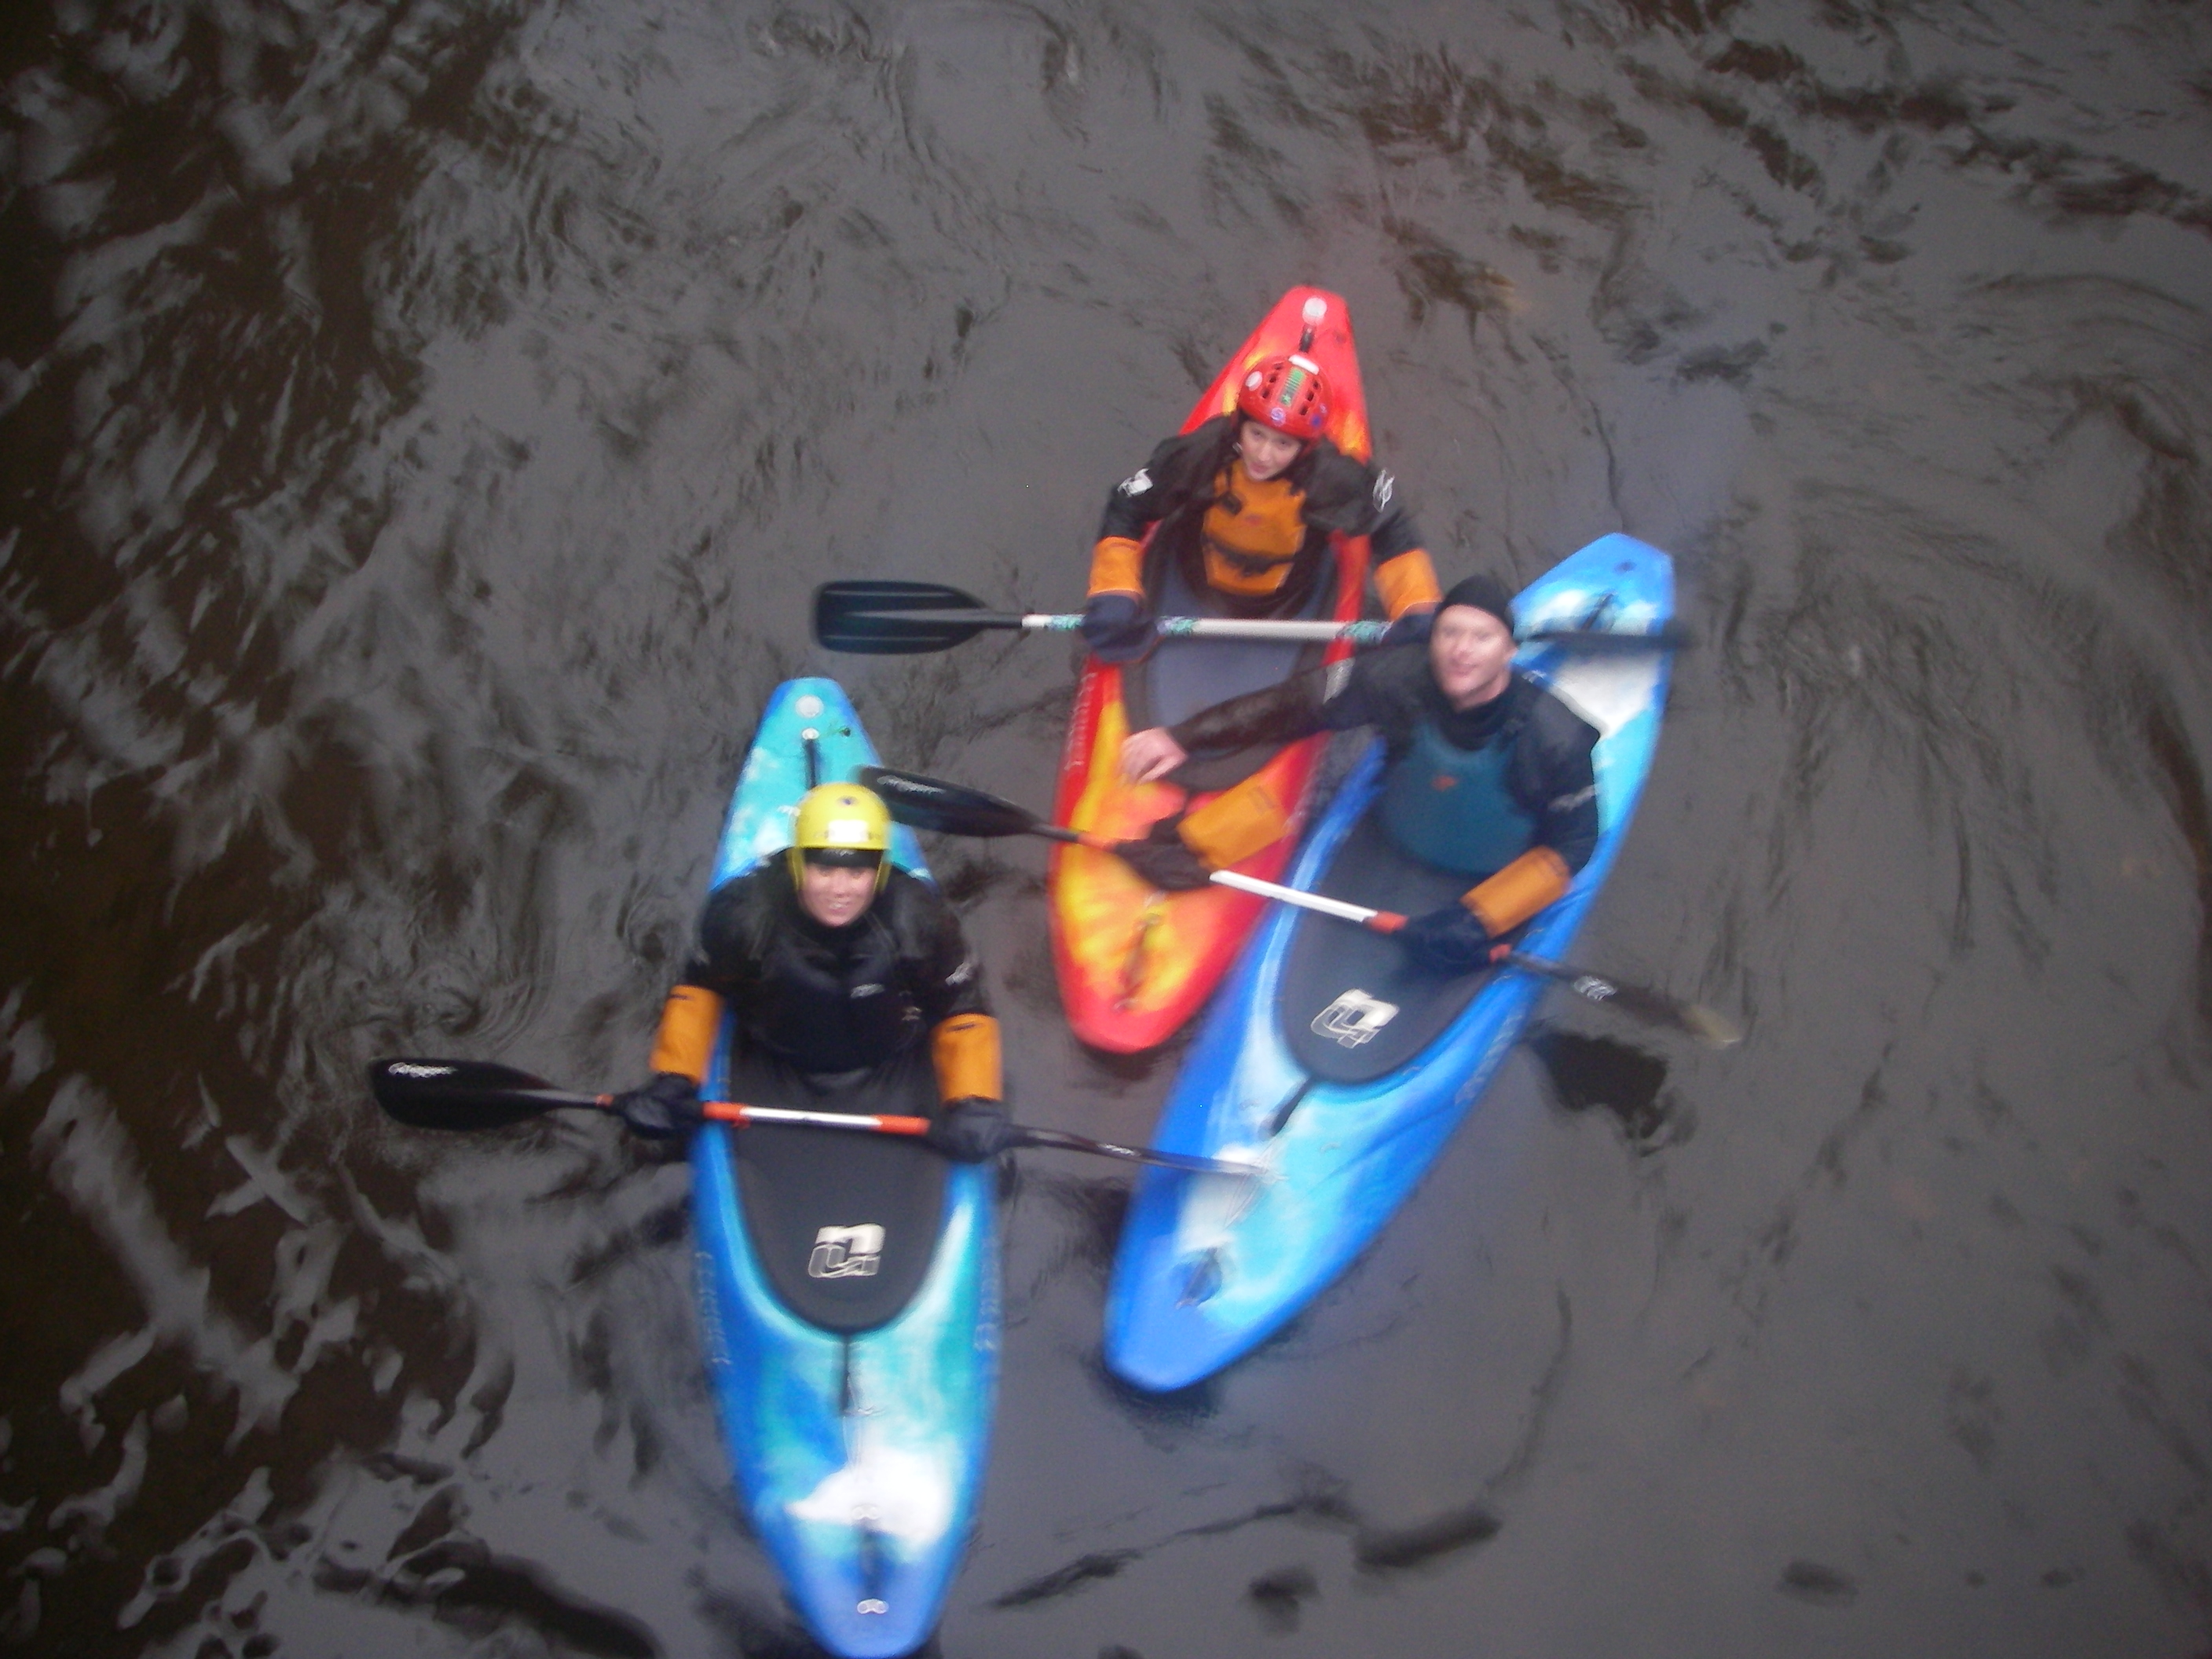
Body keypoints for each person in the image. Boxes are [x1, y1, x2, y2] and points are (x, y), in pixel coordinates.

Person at [1115, 573, 1599, 974]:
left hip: (1484, 878)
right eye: (1450, 633)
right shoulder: (1393, 676)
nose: (1462, 650)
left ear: (1509, 651)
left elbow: (1574, 845)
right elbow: (1292, 705)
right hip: (1390, 835)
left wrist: (1480, 920)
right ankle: (1202, 843)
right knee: (1213, 835)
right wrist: (1182, 738)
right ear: (1433, 639)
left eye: (1481, 637)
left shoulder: (1554, 736)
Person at [612, 782, 1016, 1159]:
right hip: (776, 1061)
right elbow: (700, 989)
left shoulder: (919, 918)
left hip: (891, 1063)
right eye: (824, 870)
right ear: (797, 863)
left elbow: (963, 1004)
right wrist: (673, 1080)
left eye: (857, 872)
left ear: (878, 872)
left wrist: (974, 1101)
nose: (840, 890)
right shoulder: (743, 916)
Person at [1078, 352, 1442, 662]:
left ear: (1306, 447)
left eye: (1283, 444)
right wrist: (1114, 591)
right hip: (1195, 581)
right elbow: (1127, 505)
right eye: (1256, 435)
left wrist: (1417, 607)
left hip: (1285, 601)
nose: (1264, 456)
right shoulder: (1202, 452)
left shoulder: (1331, 476)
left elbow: (1391, 526)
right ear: (1239, 424)